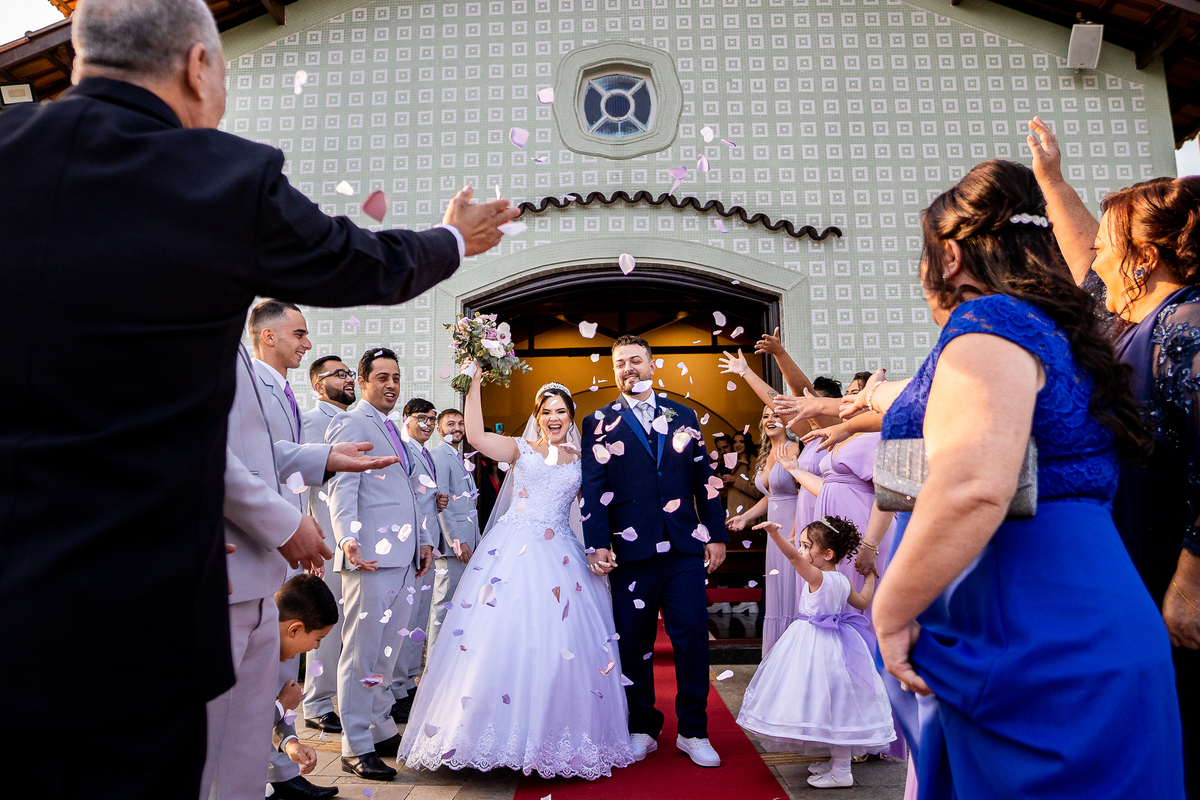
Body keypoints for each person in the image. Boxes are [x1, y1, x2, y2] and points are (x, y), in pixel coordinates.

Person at [0, 0, 515, 792]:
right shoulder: (218, 178)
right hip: (144, 598)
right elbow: (362, 261)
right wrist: (453, 238)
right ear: (198, 66)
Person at [858, 159, 1182, 798]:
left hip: (1035, 633)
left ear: (949, 256)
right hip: (1077, 611)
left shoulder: (989, 324)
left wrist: (891, 610)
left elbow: (976, 484)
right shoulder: (1060, 332)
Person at [1028, 117, 1200, 792]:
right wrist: (1052, 180)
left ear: (1145, 258)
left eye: (1109, 246)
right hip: (1135, 553)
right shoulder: (1125, 317)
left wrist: (1190, 582)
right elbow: (1079, 248)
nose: (1093, 258)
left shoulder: (1186, 325)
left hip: (1174, 566)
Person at [399, 372, 636, 778]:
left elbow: (596, 508)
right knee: (497, 636)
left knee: (560, 641)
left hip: (562, 551)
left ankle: (550, 737)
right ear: (537, 416)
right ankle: (485, 737)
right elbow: (474, 435)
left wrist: (602, 546)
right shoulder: (519, 449)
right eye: (547, 412)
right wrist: (473, 383)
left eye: (561, 411)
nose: (554, 418)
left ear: (571, 416)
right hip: (511, 550)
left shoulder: (582, 461)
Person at [208, 344, 392, 800]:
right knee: (209, 739)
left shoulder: (238, 356)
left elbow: (257, 453)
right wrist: (286, 523)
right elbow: (204, 449)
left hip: (259, 573)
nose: (307, 342)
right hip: (228, 566)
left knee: (244, 740)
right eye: (298, 332)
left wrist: (321, 458)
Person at [582, 335, 729, 768]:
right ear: (613, 371)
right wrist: (597, 543)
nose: (628, 368)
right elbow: (593, 487)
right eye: (619, 363)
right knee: (633, 643)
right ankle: (642, 726)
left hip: (684, 547)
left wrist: (715, 533)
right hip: (630, 551)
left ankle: (693, 731)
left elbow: (706, 477)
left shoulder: (683, 415)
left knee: (690, 638)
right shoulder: (598, 421)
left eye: (635, 361)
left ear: (652, 365)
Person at [325, 349, 436, 780]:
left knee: (389, 649)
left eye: (397, 377)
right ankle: (354, 743)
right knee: (362, 650)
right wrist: (347, 538)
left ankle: (380, 724)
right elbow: (341, 485)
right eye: (382, 377)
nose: (391, 385)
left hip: (405, 557)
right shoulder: (353, 421)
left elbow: (410, 493)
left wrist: (425, 541)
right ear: (363, 381)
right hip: (369, 557)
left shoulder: (392, 427)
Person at [739, 517, 894, 789]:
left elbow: (793, 559)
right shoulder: (842, 580)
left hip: (813, 645)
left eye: (805, 545)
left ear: (827, 554)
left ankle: (842, 770)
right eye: (799, 544)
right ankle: (836, 762)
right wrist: (870, 577)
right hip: (840, 645)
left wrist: (775, 534)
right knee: (837, 703)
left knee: (822, 702)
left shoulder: (818, 576)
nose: (800, 550)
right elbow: (863, 602)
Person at [248, 299, 318, 792]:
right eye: (299, 334)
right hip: (263, 537)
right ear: (268, 335)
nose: (307, 344)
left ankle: (285, 762)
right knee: (269, 648)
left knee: (286, 650)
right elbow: (263, 461)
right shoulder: (250, 384)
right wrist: (330, 456)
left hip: (286, 536)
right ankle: (271, 768)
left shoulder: (281, 389)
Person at [299, 356, 357, 734]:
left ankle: (336, 697)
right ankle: (316, 702)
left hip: (354, 541)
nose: (348, 379)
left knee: (347, 625)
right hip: (323, 542)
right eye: (339, 374)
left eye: (349, 373)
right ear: (319, 386)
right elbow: (297, 480)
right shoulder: (311, 422)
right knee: (325, 624)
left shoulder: (353, 421)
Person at [727, 406, 802, 655]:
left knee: (793, 589)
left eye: (776, 415)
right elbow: (772, 496)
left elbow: (803, 494)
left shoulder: (794, 448)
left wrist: (793, 534)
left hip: (793, 527)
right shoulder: (766, 452)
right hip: (775, 534)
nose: (770, 419)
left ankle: (795, 656)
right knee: (777, 591)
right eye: (766, 415)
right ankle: (778, 657)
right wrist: (745, 517)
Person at [392, 398, 448, 722]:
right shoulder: (404, 448)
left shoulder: (427, 453)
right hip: (411, 545)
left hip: (427, 545)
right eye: (421, 417)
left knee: (419, 619)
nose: (427, 423)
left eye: (431, 418)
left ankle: (411, 682)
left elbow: (423, 497)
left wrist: (438, 501)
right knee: (406, 619)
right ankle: (397, 690)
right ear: (406, 418)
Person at [270, 573, 340, 800]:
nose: (316, 646)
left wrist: (290, 744)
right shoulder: (246, 651)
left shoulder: (278, 645)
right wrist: (281, 708)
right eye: (318, 639)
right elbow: (239, 722)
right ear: (294, 629)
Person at [425, 409, 481, 653]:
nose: (456, 428)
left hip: (469, 542)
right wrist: (457, 540)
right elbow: (442, 503)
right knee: (443, 604)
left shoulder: (460, 458)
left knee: (458, 605)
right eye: (450, 424)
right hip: (452, 548)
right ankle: (435, 663)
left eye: (460, 423)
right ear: (439, 429)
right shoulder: (439, 456)